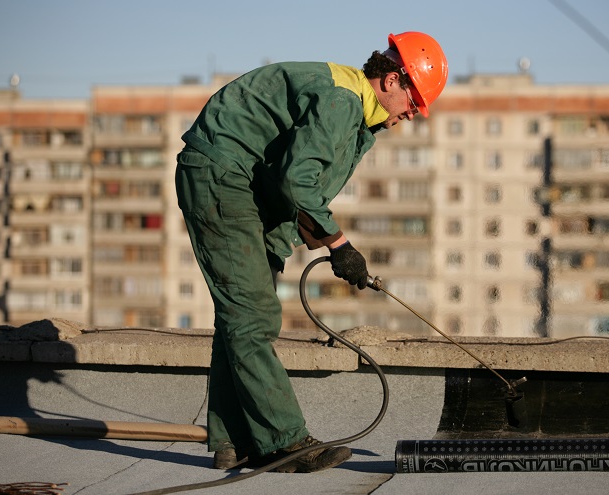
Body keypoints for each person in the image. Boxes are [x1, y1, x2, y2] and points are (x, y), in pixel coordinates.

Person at [175, 31, 448, 473]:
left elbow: (293, 179)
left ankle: (234, 441)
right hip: (222, 175)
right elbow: (295, 181)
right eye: (414, 102)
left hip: (243, 183)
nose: (411, 115)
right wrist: (339, 245)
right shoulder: (343, 102)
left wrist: (294, 239)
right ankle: (286, 443)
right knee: (253, 314)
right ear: (393, 80)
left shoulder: (353, 109)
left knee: (241, 315)